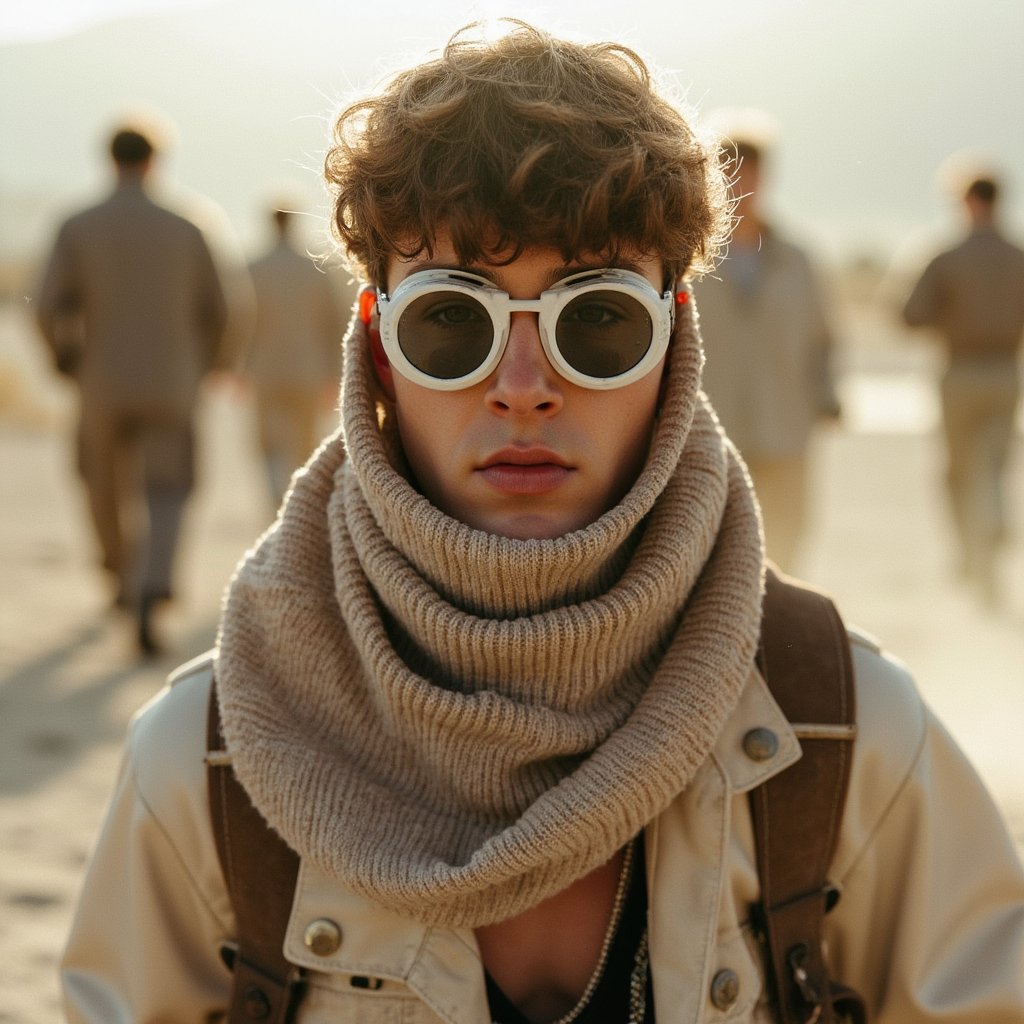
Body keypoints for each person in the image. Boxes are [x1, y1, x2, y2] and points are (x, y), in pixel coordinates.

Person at [60, 22, 1024, 1023]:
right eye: (452, 322)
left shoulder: (845, 737)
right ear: (378, 348)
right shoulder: (208, 767)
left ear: (675, 341)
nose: (524, 388)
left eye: (597, 320)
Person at [35, 122, 235, 655]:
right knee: (168, 489)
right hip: (173, 382)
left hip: (100, 382)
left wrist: (64, 360)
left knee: (102, 484)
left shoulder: (78, 225)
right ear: (154, 161)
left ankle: (120, 574)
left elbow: (47, 303)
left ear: (109, 159)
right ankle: (152, 585)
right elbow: (225, 308)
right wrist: (212, 365)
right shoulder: (191, 225)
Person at [693, 125, 841, 571]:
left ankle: (783, 621)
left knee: (788, 535)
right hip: (711, 427)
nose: (743, 188)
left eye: (751, 176)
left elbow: (823, 339)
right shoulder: (688, 256)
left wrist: (827, 397)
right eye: (732, 176)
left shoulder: (798, 259)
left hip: (785, 422)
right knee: (713, 539)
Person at [901, 171, 1024, 607]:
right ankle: (991, 527)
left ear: (967, 202)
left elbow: (910, 313)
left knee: (956, 471)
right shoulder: (1017, 256)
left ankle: (970, 554)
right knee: (993, 462)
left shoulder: (947, 256)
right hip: (1007, 372)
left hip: (959, 369)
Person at [242, 205, 350, 505]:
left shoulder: (254, 267)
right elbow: (337, 321)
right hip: (309, 370)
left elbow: (241, 325)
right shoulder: (314, 269)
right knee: (304, 443)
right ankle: (299, 501)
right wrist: (334, 371)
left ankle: (277, 500)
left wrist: (240, 369)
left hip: (264, 370)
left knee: (266, 444)